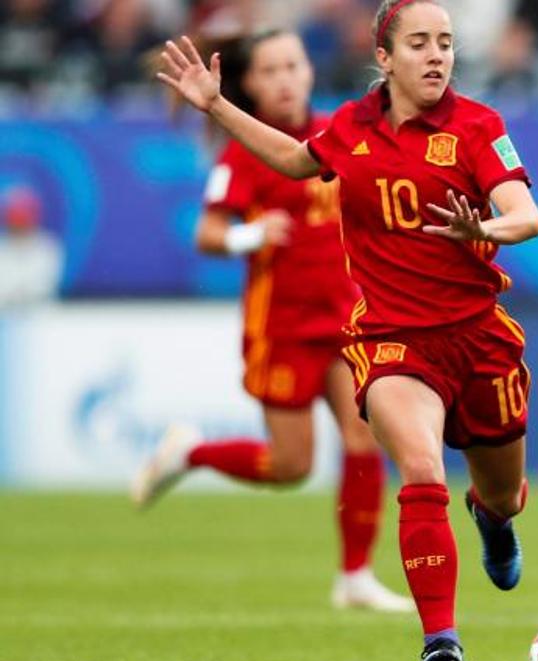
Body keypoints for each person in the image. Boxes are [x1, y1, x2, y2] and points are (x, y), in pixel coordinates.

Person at [153, 1, 538, 661]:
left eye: (446, 44)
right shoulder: (349, 129)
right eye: (419, 43)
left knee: (503, 493)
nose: (436, 56)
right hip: (392, 340)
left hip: (478, 339)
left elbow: (526, 216)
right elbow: (294, 159)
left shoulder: (479, 125)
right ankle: (440, 642)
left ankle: (492, 518)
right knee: (419, 469)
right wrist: (216, 108)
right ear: (384, 58)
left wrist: (481, 226)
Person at [131, 28, 412, 613]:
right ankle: (190, 455)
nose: (285, 79)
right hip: (282, 327)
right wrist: (251, 235)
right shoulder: (244, 150)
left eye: (294, 65)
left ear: (311, 71)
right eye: (270, 70)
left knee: (366, 436)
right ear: (251, 85)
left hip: (347, 322)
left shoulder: (339, 134)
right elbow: (206, 233)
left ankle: (355, 575)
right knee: (291, 465)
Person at [0, 185, 63, 309]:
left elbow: (43, 287)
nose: (19, 227)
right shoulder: (2, 248)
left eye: (23, 221)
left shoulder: (47, 247)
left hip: (39, 316)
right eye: (15, 221)